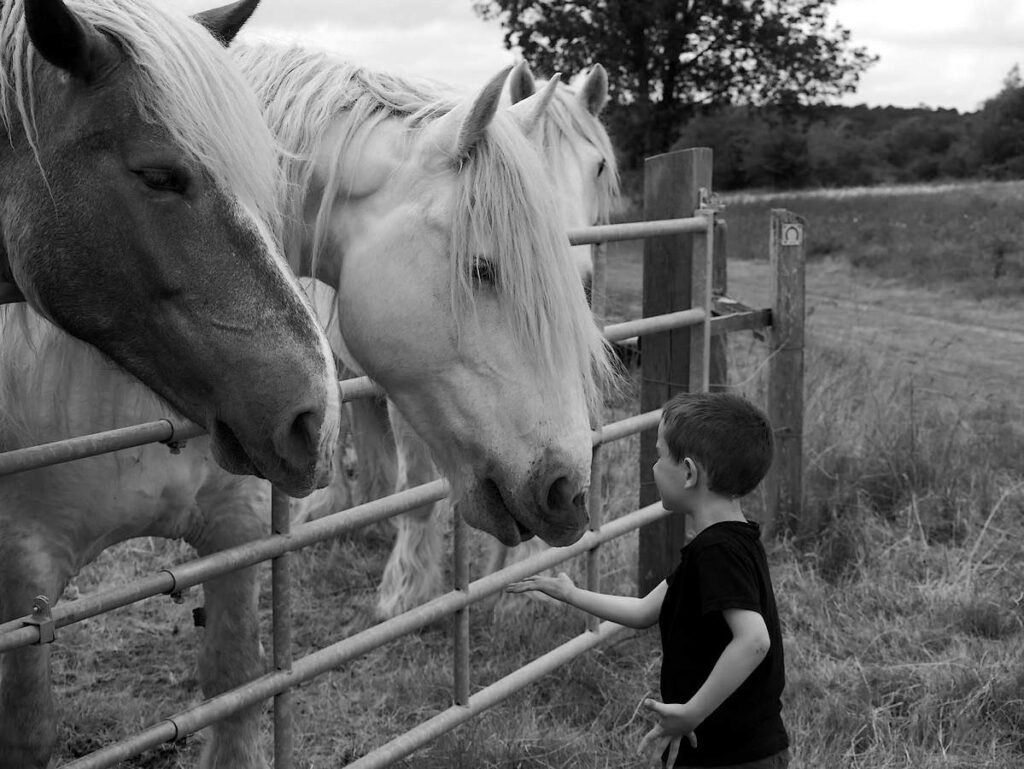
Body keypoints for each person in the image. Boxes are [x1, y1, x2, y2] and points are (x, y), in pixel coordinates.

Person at [506, 391, 789, 768]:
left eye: (659, 456)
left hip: (735, 754)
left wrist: (692, 712)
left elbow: (754, 640)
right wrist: (570, 593)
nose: (653, 466)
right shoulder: (727, 542)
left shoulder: (717, 552)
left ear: (688, 473)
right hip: (723, 746)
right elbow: (643, 611)